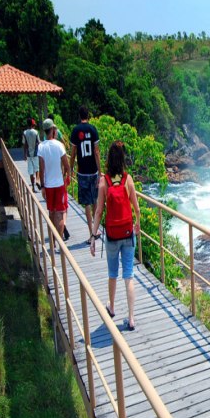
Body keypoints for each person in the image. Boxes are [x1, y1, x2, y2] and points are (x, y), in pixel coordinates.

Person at [90, 141, 141, 331]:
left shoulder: (104, 181)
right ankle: (131, 318)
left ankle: (111, 307)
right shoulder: (128, 179)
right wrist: (137, 224)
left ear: (108, 159)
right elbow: (136, 208)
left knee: (113, 273)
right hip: (128, 234)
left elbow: (98, 212)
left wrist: (93, 236)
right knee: (129, 275)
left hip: (111, 236)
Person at [70, 106, 101, 244]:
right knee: (95, 200)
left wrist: (70, 168)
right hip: (93, 171)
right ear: (88, 115)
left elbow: (73, 153)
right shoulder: (93, 129)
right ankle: (96, 229)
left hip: (82, 172)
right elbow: (96, 152)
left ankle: (91, 234)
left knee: (87, 203)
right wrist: (100, 171)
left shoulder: (75, 131)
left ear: (79, 115)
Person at [37, 118, 70, 240]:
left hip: (48, 185)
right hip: (59, 184)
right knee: (60, 214)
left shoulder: (41, 147)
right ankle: (60, 242)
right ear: (52, 130)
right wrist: (65, 176)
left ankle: (52, 242)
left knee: (51, 213)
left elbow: (41, 169)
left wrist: (43, 186)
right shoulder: (59, 145)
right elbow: (67, 166)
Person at [22, 117, 40, 192]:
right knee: (37, 168)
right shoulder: (36, 132)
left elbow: (24, 144)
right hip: (35, 153)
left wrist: (25, 154)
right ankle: (37, 180)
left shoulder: (25, 133)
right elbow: (38, 142)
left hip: (29, 154)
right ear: (32, 125)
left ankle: (33, 187)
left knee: (30, 171)